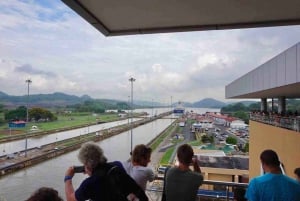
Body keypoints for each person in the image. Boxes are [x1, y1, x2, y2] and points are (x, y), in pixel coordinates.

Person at [64, 142, 148, 201]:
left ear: (86, 164)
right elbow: (106, 174)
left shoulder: (90, 183)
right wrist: (91, 171)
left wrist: (68, 178)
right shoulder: (117, 165)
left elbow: (71, 199)